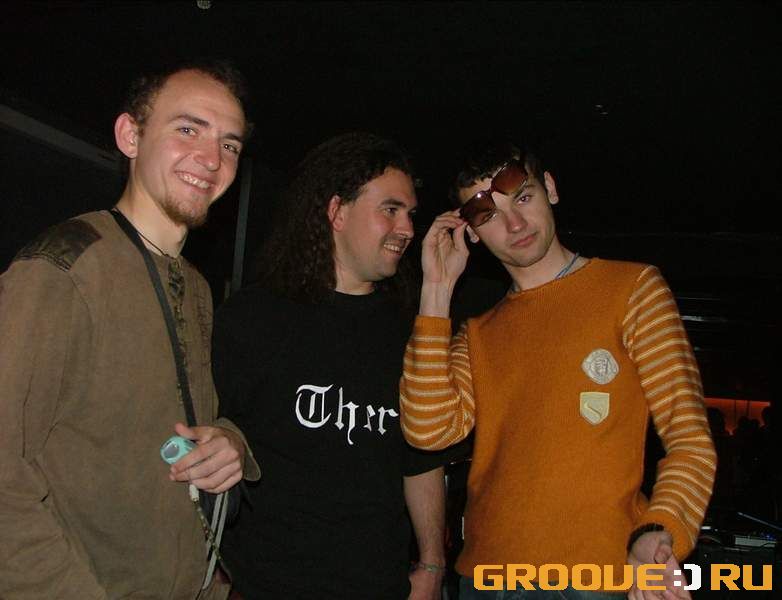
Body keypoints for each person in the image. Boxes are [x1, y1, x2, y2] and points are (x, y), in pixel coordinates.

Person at [399, 141, 717, 599]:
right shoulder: (478, 333)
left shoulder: (631, 289)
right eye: (489, 216)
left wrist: (659, 528)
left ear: (549, 187)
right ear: (472, 232)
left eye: (523, 197)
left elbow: (689, 437)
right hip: (484, 578)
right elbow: (427, 432)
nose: (514, 224)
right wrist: (435, 289)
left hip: (594, 576)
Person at [0, 60, 260, 599]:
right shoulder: (64, 269)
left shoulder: (196, 287)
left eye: (229, 144)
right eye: (188, 128)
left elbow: (165, 426)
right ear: (130, 136)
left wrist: (229, 443)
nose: (212, 158)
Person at [212, 132, 450, 599]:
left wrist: (431, 564)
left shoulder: (410, 333)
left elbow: (421, 461)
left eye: (410, 214)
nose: (406, 228)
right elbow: (211, 439)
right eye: (390, 209)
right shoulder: (254, 318)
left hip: (379, 585)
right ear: (337, 212)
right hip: (267, 585)